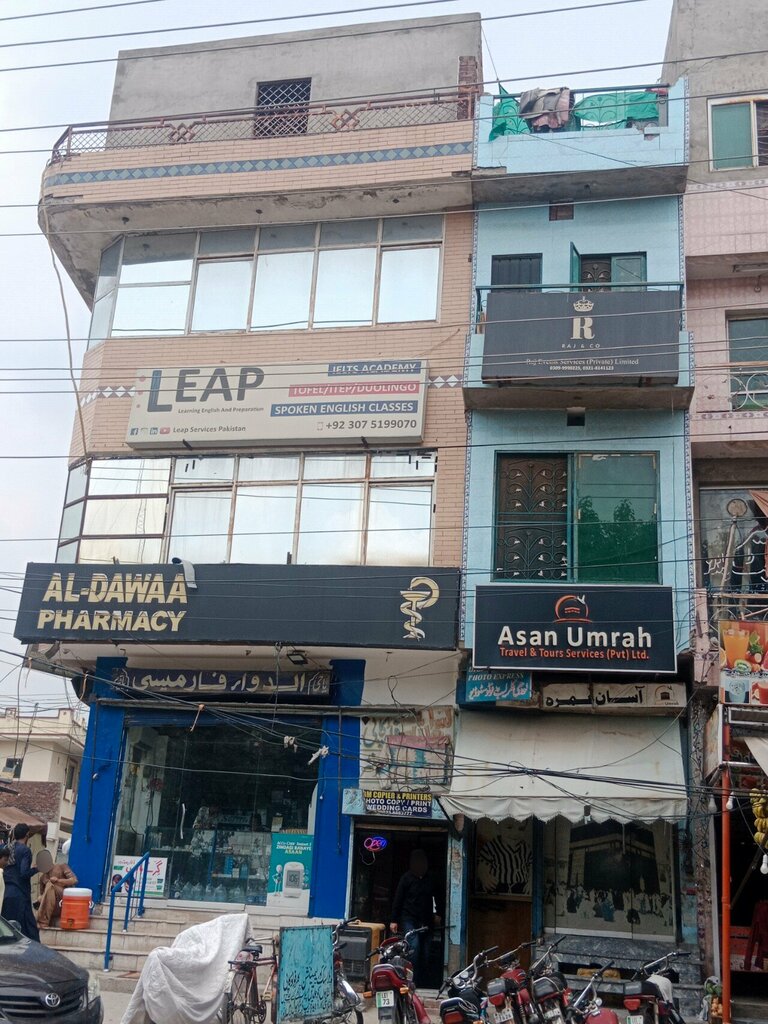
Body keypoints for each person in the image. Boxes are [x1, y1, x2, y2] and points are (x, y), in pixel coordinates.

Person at [389, 849, 441, 986]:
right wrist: (394, 920)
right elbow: (398, 899)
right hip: (409, 918)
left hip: (427, 920)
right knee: (414, 948)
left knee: (427, 952)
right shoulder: (406, 879)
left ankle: (424, 981)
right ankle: (412, 980)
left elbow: (438, 897)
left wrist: (439, 914)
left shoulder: (431, 878)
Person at [2, 824, 39, 941]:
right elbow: (24, 873)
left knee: (6, 927)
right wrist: (36, 869)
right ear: (27, 835)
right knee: (29, 929)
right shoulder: (25, 850)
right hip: (20, 894)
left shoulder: (7, 848)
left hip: (5, 892)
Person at [35, 849, 78, 929]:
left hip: (63, 901)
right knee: (46, 890)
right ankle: (41, 919)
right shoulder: (42, 878)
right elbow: (42, 894)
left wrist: (58, 881)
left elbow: (74, 880)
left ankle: (42, 921)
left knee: (50, 885)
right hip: (51, 905)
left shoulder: (62, 866)